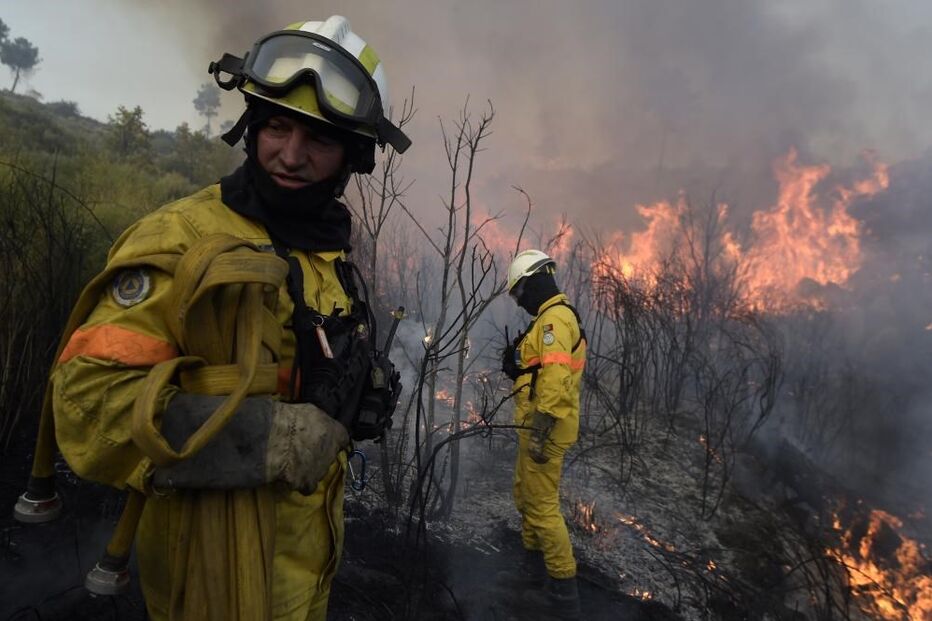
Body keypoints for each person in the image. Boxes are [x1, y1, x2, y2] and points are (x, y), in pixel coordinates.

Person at [41, 16, 408, 621]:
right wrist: (268, 441)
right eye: (277, 127)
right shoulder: (184, 238)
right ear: (251, 126)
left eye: (318, 139)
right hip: (213, 574)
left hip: (305, 566)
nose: (291, 155)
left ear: (353, 155)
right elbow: (89, 405)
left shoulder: (326, 249)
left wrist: (353, 389)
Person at [500, 249, 586, 619]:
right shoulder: (549, 320)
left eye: (519, 293)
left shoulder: (554, 321)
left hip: (544, 429)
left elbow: (553, 379)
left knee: (543, 508)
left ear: (534, 281)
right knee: (526, 497)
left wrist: (540, 429)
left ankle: (563, 600)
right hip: (534, 425)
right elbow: (536, 368)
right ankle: (533, 576)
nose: (519, 303)